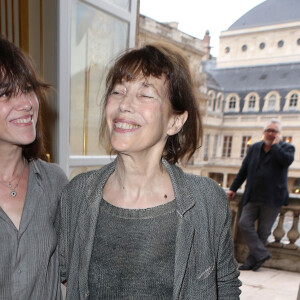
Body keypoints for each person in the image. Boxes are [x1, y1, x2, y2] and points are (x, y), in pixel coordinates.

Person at [58, 43, 241, 299]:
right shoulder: (76, 195)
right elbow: (62, 276)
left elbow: (226, 286)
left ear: (175, 121)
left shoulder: (207, 201)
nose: (124, 104)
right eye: (118, 91)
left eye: (145, 95)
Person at [0, 37, 68, 299]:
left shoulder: (55, 182)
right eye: (5, 93)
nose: (27, 103)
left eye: (28, 89)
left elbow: (74, 267)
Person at [227, 119, 295, 271]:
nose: (270, 133)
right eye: (268, 130)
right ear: (264, 132)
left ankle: (252, 262)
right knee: (244, 223)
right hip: (253, 196)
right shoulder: (255, 148)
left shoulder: (287, 148)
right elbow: (244, 170)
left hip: (273, 199)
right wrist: (233, 188)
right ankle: (262, 253)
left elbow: (286, 162)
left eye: (274, 131)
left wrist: (276, 147)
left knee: (263, 232)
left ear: (279, 134)